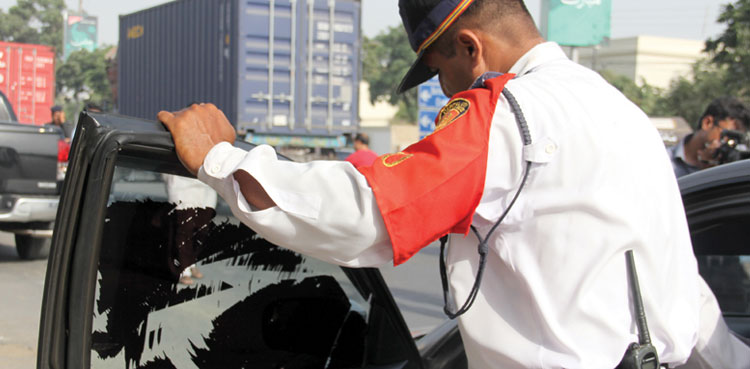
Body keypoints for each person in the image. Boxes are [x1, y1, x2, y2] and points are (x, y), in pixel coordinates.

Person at [159, 0, 750, 367]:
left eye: (441, 69)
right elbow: (684, 293)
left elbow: (365, 213)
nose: (444, 91)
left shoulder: (506, 114)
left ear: (471, 46)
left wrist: (219, 158)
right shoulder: (625, 116)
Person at [669, 97, 750, 178]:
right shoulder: (665, 161)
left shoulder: (733, 161)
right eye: (728, 135)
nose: (728, 143)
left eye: (735, 139)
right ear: (707, 123)